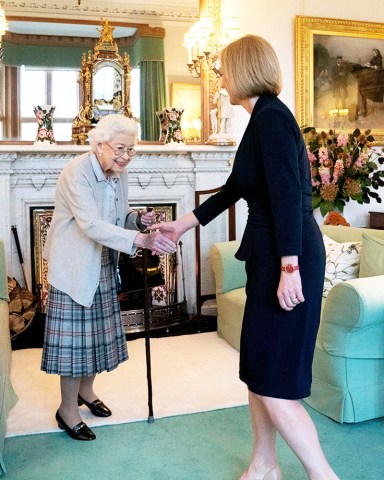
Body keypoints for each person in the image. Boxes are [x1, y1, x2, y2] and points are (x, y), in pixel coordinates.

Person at [151, 35, 340, 480]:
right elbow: (237, 187)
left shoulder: (272, 119)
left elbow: (289, 197)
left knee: (275, 381)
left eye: (223, 69)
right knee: (259, 370)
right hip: (270, 257)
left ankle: (324, 475)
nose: (219, 78)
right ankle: (264, 465)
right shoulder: (260, 120)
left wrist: (289, 267)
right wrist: (183, 224)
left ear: (243, 69)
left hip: (285, 257)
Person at [41, 114, 176, 441]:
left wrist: (136, 219)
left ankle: (86, 393)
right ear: (99, 145)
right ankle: (67, 410)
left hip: (102, 261)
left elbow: (116, 217)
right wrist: (141, 240)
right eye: (120, 148)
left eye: (131, 150)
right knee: (75, 346)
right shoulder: (77, 172)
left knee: (95, 339)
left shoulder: (117, 173)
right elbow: (90, 224)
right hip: (74, 265)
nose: (125, 156)